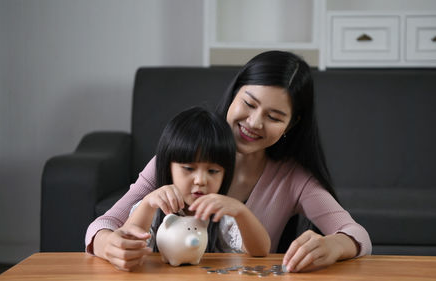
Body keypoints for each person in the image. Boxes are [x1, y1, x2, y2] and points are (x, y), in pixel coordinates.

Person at [86, 50, 372, 273]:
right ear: (234, 93)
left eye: (274, 117)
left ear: (291, 125)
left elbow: (357, 234)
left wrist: (333, 245)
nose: (254, 123)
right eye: (248, 104)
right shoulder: (179, 158)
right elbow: (105, 223)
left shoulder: (293, 179)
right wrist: (108, 244)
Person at [93, 107, 270, 271]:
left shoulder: (220, 214)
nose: (201, 180)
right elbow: (128, 241)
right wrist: (147, 204)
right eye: (189, 169)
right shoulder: (154, 209)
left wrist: (241, 211)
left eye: (213, 171)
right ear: (167, 167)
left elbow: (260, 251)